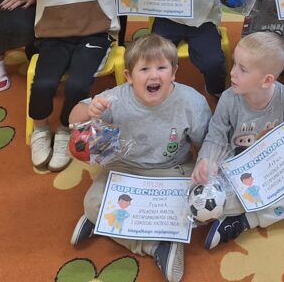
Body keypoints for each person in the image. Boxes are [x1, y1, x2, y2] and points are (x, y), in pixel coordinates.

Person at [7, 0, 137, 171]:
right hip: (54, 36)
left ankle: (67, 127)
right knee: (44, 83)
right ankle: (41, 129)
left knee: (79, 84)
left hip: (95, 34)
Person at [69, 34, 211, 282]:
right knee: (92, 204)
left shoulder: (192, 102)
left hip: (173, 168)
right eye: (144, 69)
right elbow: (73, 119)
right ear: (129, 77)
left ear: (174, 72)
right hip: (125, 168)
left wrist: (204, 169)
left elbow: (205, 143)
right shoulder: (115, 98)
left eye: (161, 67)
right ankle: (156, 247)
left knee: (197, 207)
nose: (153, 75)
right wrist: (89, 111)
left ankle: (105, 224)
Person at [192, 32, 284, 249]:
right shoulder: (228, 99)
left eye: (242, 69)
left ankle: (244, 221)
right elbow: (216, 135)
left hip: (274, 164)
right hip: (239, 164)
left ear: (267, 80)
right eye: (234, 64)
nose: (232, 72)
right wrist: (206, 160)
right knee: (202, 197)